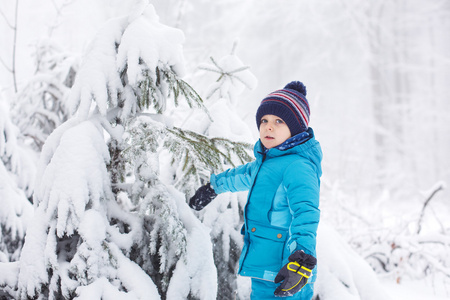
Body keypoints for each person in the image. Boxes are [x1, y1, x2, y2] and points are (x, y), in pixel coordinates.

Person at [189, 81, 322, 299]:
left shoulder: (298, 167)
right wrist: (213, 187)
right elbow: (240, 176)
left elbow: (306, 213)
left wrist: (301, 259)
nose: (269, 126)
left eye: (279, 121)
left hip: (288, 269)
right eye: (264, 120)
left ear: (296, 128)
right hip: (265, 263)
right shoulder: (267, 163)